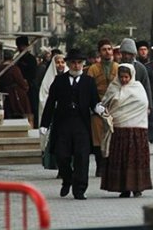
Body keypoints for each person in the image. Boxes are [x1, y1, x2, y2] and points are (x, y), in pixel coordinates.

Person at [39, 49, 101, 200]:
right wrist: (44, 124)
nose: (76, 65)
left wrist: (101, 110)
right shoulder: (59, 81)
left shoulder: (88, 82)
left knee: (82, 157)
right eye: (73, 62)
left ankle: (79, 189)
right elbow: (50, 103)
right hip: (63, 124)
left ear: (83, 64)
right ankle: (67, 179)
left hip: (81, 124)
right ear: (68, 64)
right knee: (62, 155)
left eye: (79, 63)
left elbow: (95, 102)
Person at [98, 64, 153, 198]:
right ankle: (123, 188)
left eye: (126, 77)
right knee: (121, 159)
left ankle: (138, 187)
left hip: (137, 129)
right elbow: (104, 104)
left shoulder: (138, 87)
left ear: (131, 76)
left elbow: (144, 104)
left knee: (136, 159)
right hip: (119, 129)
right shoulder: (113, 87)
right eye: (121, 77)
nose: (124, 80)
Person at [87, 39, 119, 177]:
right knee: (98, 139)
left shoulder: (118, 67)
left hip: (114, 107)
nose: (107, 52)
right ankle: (100, 166)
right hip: (97, 107)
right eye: (104, 49)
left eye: (109, 49)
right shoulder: (93, 69)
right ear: (99, 52)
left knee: (113, 138)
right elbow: (88, 88)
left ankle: (111, 166)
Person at [38, 52, 68, 171]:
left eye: (62, 62)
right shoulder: (48, 79)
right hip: (54, 117)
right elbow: (43, 96)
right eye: (57, 62)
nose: (60, 65)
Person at [0, 50, 32, 126]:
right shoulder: (14, 69)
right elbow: (20, 81)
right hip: (16, 94)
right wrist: (25, 87)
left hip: (4, 93)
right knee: (21, 112)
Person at [119, 38, 153, 107]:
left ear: (133, 54)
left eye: (129, 53)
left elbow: (146, 87)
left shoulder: (140, 68)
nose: (126, 56)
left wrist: (149, 106)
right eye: (124, 53)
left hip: (137, 103)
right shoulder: (117, 67)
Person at [15, 36, 39, 128]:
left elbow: (32, 74)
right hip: (20, 89)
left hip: (30, 88)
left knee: (32, 108)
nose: (21, 48)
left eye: (23, 46)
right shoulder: (18, 59)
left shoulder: (31, 59)